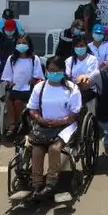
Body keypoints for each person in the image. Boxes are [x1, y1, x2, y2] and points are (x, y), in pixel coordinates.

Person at [24, 57, 82, 201]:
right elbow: (32, 109)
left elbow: (75, 113)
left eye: (57, 71)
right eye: (50, 70)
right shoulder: (40, 87)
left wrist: (61, 121)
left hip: (65, 126)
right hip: (44, 125)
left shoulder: (71, 88)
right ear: (46, 71)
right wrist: (40, 119)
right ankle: (37, 185)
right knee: (37, 150)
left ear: (63, 71)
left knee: (54, 149)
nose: (53, 73)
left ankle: (51, 183)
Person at [1, 33, 44, 137]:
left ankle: (19, 123)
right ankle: (12, 124)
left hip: (29, 87)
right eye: (19, 43)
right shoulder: (12, 58)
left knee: (18, 102)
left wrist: (33, 79)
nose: (21, 45)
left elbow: (38, 74)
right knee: (10, 100)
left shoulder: (34, 59)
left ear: (29, 44)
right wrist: (9, 82)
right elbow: (7, 74)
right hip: (15, 86)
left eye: (24, 43)